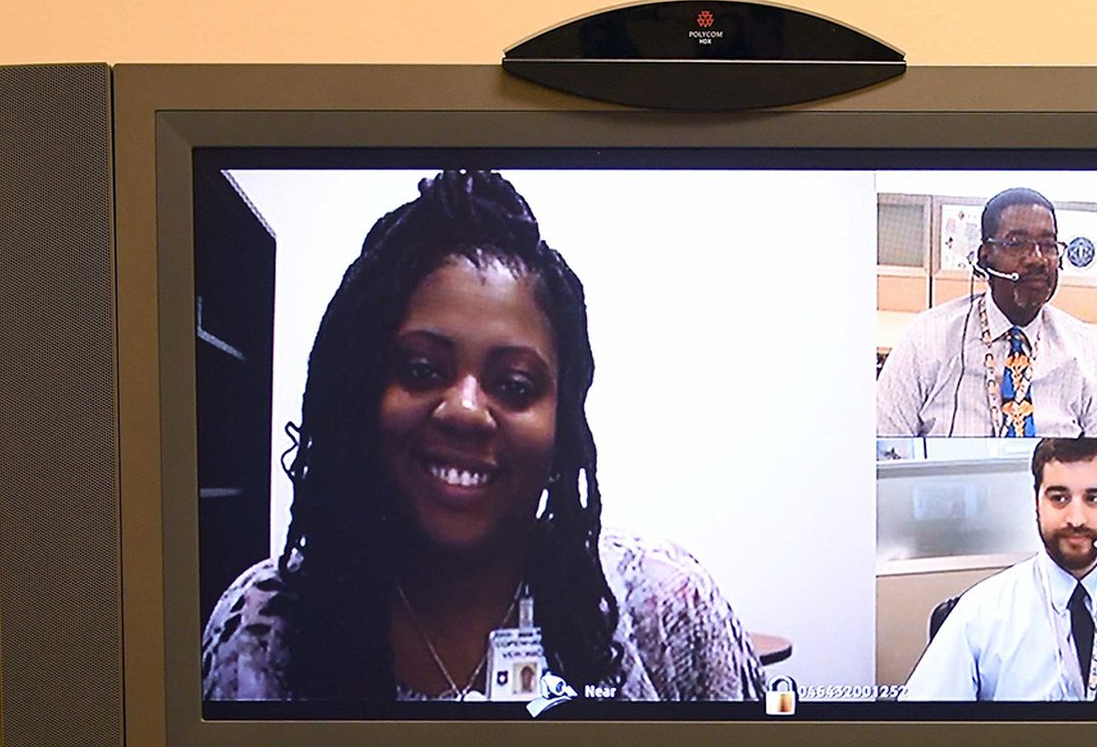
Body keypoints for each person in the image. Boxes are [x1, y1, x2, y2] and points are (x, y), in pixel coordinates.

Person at [202, 169, 765, 704]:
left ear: (561, 425)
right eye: (421, 371)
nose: (466, 411)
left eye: (514, 385)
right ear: (357, 391)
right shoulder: (260, 630)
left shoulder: (666, 608)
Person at [901, 437, 1097, 702]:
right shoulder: (980, 613)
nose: (1077, 518)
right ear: (1036, 504)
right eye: (1059, 498)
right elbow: (921, 732)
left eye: (1094, 498)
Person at [876, 188, 1097, 437]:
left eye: (1048, 245)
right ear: (984, 257)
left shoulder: (1084, 347)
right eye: (1016, 243)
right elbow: (880, 442)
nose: (1037, 259)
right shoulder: (926, 339)